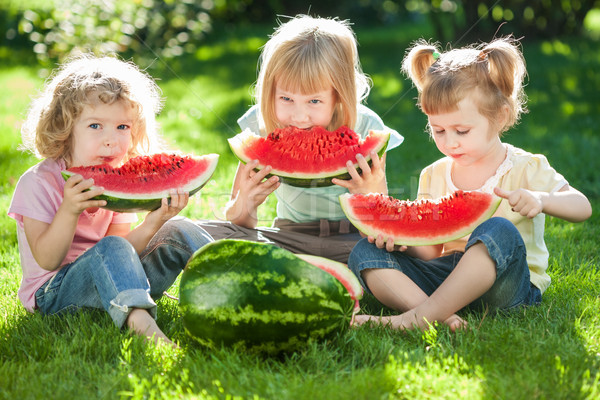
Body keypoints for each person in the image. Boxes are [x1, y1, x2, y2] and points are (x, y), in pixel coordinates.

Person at [348, 37, 592, 331]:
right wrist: (400, 240)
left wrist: (542, 199)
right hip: (445, 278)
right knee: (364, 253)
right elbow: (430, 252)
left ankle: (416, 317)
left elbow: (583, 207)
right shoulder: (432, 174)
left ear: (500, 117)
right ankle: (441, 316)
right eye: (438, 130)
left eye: (461, 131)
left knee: (498, 230)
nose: (449, 142)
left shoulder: (527, 166)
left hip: (505, 287)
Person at [8, 55, 213, 346]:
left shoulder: (116, 185)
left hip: (114, 282)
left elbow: (125, 250)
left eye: (122, 127)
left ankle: (232, 288)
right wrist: (69, 210)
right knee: (110, 247)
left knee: (179, 228)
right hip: (53, 295)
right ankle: (142, 326)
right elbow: (47, 259)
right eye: (95, 126)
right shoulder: (38, 182)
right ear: (65, 129)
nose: (111, 140)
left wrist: (155, 222)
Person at [200, 15, 403, 263]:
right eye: (285, 99)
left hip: (352, 242)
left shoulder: (368, 127)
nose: (298, 116)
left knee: (383, 253)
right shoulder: (260, 124)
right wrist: (246, 202)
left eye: (314, 101)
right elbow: (240, 221)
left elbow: (376, 231)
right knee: (206, 234)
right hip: (287, 239)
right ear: (269, 91)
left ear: (339, 94)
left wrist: (367, 199)